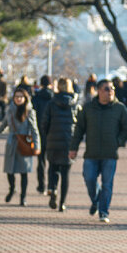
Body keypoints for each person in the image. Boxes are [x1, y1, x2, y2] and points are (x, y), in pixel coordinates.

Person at [70, 78, 127, 223]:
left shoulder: (119, 108)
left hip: (110, 154)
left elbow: (126, 127)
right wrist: (73, 148)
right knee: (89, 178)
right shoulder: (88, 108)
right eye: (107, 89)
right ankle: (96, 200)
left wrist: (119, 142)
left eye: (112, 89)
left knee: (107, 184)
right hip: (91, 153)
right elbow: (79, 129)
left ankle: (104, 212)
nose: (111, 92)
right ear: (98, 91)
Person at [0, 86, 39, 206]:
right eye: (16, 97)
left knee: (24, 172)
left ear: (25, 98)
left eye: (21, 97)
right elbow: (2, 127)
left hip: (25, 143)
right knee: (9, 170)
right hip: (12, 143)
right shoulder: (10, 110)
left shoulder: (30, 111)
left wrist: (37, 146)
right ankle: (12, 189)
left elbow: (34, 130)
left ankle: (23, 197)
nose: (19, 99)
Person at [42, 78, 81, 211]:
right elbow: (79, 124)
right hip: (69, 141)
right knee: (66, 173)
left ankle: (52, 189)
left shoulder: (52, 103)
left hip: (53, 139)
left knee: (53, 168)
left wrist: (47, 136)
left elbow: (44, 122)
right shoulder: (75, 103)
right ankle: (62, 203)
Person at [32, 75, 54, 193]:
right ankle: (51, 185)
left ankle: (41, 186)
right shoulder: (54, 98)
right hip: (51, 133)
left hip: (39, 132)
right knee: (52, 161)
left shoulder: (35, 98)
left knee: (40, 161)